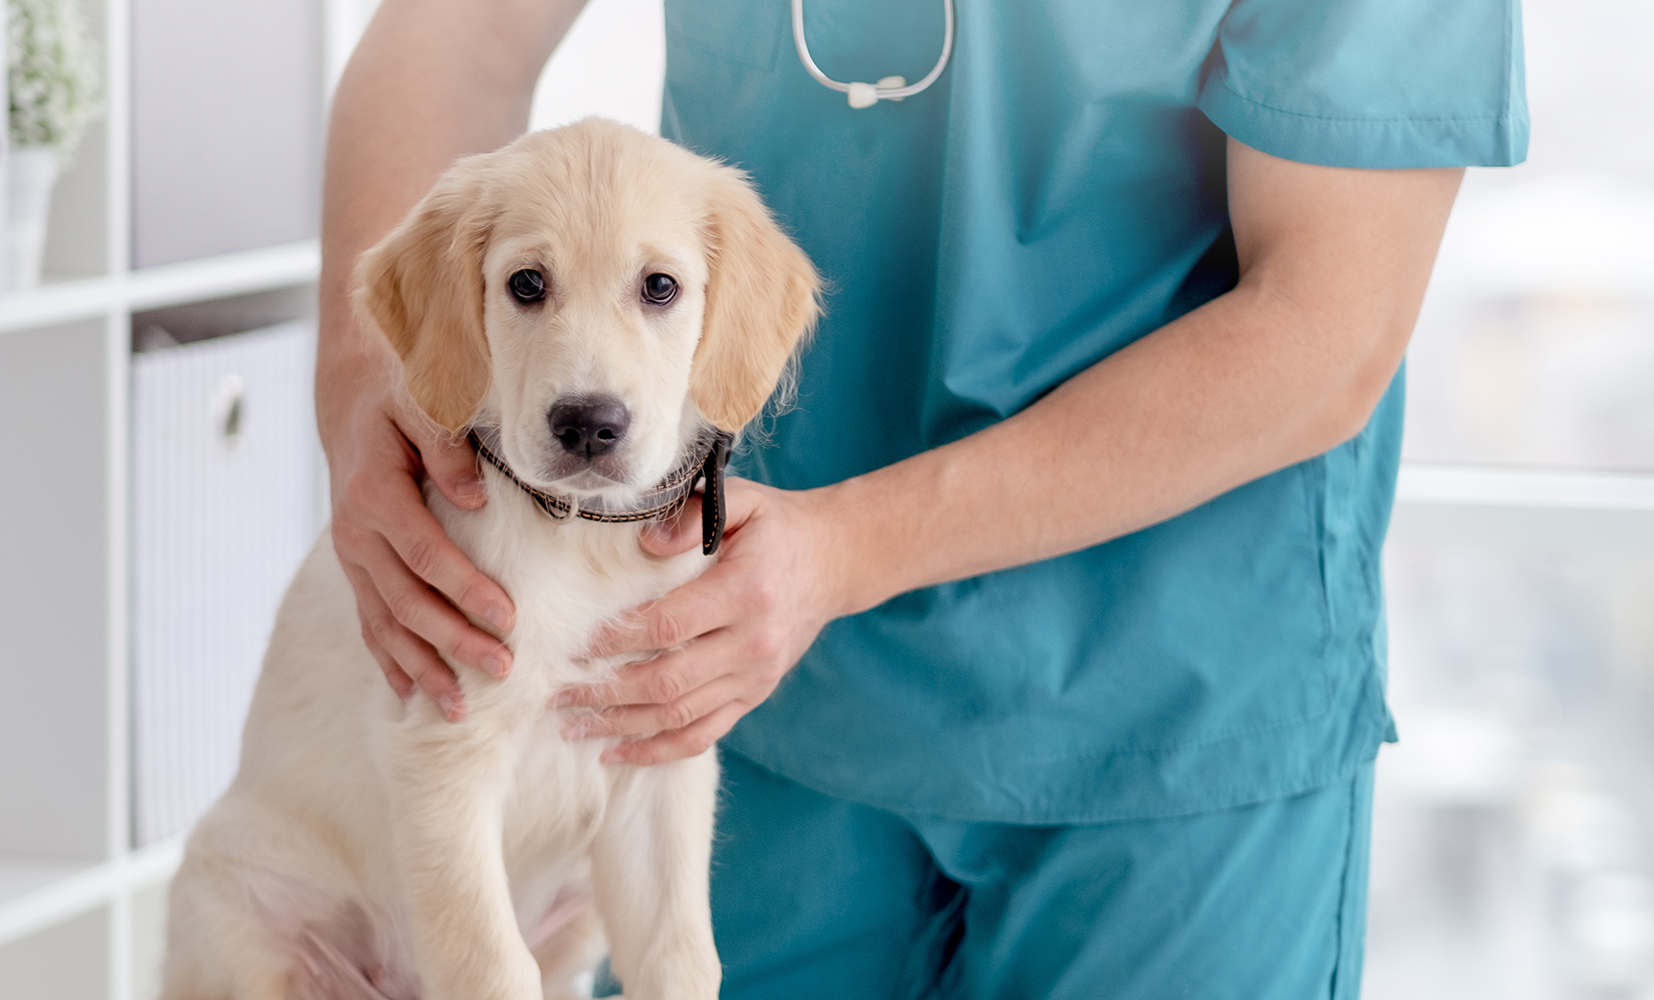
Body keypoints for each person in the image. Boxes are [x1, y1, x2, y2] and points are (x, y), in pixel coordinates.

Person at [318, 0, 1527, 995]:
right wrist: (370, 376)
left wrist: (845, 550)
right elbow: (459, 31)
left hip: (1164, 723)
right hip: (737, 704)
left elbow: (1327, 323)